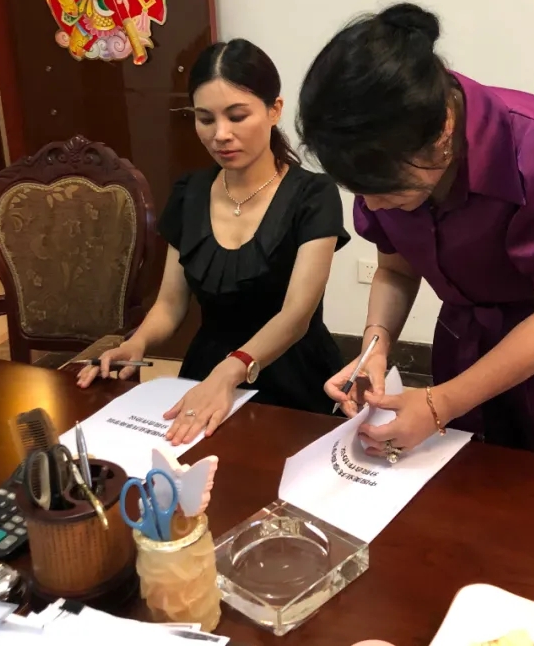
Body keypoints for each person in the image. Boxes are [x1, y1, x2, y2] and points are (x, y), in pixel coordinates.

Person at [297, 3, 534, 467]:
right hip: (467, 345)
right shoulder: (376, 161)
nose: (372, 206)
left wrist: (439, 404)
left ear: (442, 133)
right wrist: (375, 348)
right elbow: (396, 271)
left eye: (386, 190)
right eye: (360, 192)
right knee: (469, 484)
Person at [78, 38, 350, 445]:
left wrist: (230, 372)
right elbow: (170, 304)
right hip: (207, 370)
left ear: (274, 110)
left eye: (237, 116)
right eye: (205, 119)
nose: (221, 134)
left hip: (293, 372)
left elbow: (296, 316)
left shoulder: (313, 195)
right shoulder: (189, 192)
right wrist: (137, 342)